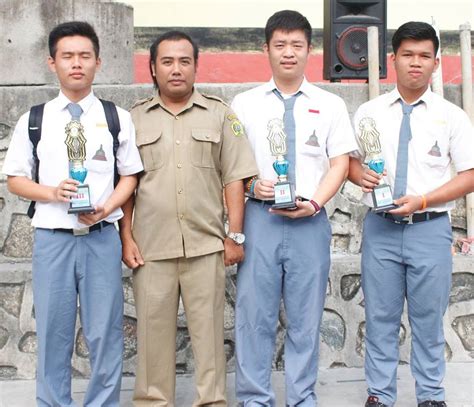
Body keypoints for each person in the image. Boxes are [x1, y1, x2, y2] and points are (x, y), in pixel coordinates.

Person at [2, 21, 143, 405]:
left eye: (84, 56)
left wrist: (107, 209)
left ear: (98, 62)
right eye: (67, 56)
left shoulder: (116, 118)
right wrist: (51, 192)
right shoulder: (34, 119)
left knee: (105, 332)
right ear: (52, 63)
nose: (76, 64)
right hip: (53, 240)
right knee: (53, 331)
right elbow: (15, 179)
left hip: (101, 239)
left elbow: (130, 176)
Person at [119, 31, 258, 406]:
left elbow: (235, 177)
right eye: (167, 62)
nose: (176, 69)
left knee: (210, 337)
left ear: (196, 66)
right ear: (152, 68)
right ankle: (152, 401)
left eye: (184, 61)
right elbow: (127, 186)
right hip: (151, 248)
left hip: (206, 246)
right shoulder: (133, 120)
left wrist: (235, 235)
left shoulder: (220, 114)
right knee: (152, 337)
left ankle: (211, 401)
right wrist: (127, 237)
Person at [231, 10, 357, 406]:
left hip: (310, 220)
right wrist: (253, 185)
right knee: (254, 317)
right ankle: (255, 398)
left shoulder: (330, 104)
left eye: (297, 46)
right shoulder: (244, 103)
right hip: (259, 219)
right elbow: (233, 168)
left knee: (306, 318)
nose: (289, 53)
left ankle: (302, 397)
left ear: (310, 50)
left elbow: (340, 162)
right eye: (280, 45)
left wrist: (317, 201)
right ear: (266, 49)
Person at [348, 21, 474, 407]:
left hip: (429, 228)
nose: (415, 63)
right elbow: (348, 164)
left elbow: (470, 175)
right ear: (393, 60)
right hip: (381, 228)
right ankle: (380, 395)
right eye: (407, 55)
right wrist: (361, 175)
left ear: (436, 63)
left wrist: (422, 200)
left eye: (424, 56)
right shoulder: (369, 112)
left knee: (428, 321)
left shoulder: (452, 116)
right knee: (381, 320)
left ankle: (431, 396)